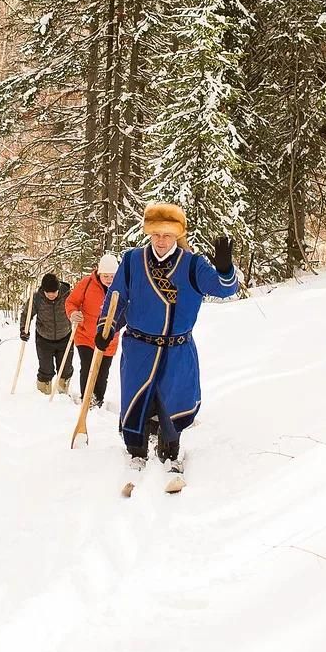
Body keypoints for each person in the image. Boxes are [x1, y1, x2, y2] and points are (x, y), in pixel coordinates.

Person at [94, 203, 238, 482]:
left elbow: (225, 288)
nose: (161, 240)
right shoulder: (133, 261)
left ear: (177, 235)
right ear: (149, 233)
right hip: (139, 347)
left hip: (177, 350)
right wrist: (106, 328)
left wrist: (225, 268)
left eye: (168, 235)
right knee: (137, 401)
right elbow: (116, 299)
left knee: (172, 402)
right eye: (156, 234)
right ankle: (136, 451)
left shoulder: (193, 265)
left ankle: (170, 452)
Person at [65, 253, 120, 408]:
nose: (109, 279)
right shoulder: (87, 283)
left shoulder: (122, 287)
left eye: (112, 276)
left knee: (102, 373)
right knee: (88, 367)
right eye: (106, 276)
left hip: (109, 339)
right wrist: (73, 313)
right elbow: (71, 302)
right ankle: (87, 399)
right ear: (99, 273)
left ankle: (98, 401)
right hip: (85, 335)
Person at [20, 273, 74, 395]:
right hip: (44, 339)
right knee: (45, 369)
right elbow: (26, 315)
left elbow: (77, 308)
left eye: (54, 292)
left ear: (58, 289)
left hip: (65, 337)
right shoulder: (37, 299)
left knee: (65, 369)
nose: (51, 295)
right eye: (48, 293)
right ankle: (43, 395)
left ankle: (63, 393)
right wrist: (24, 330)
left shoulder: (68, 296)